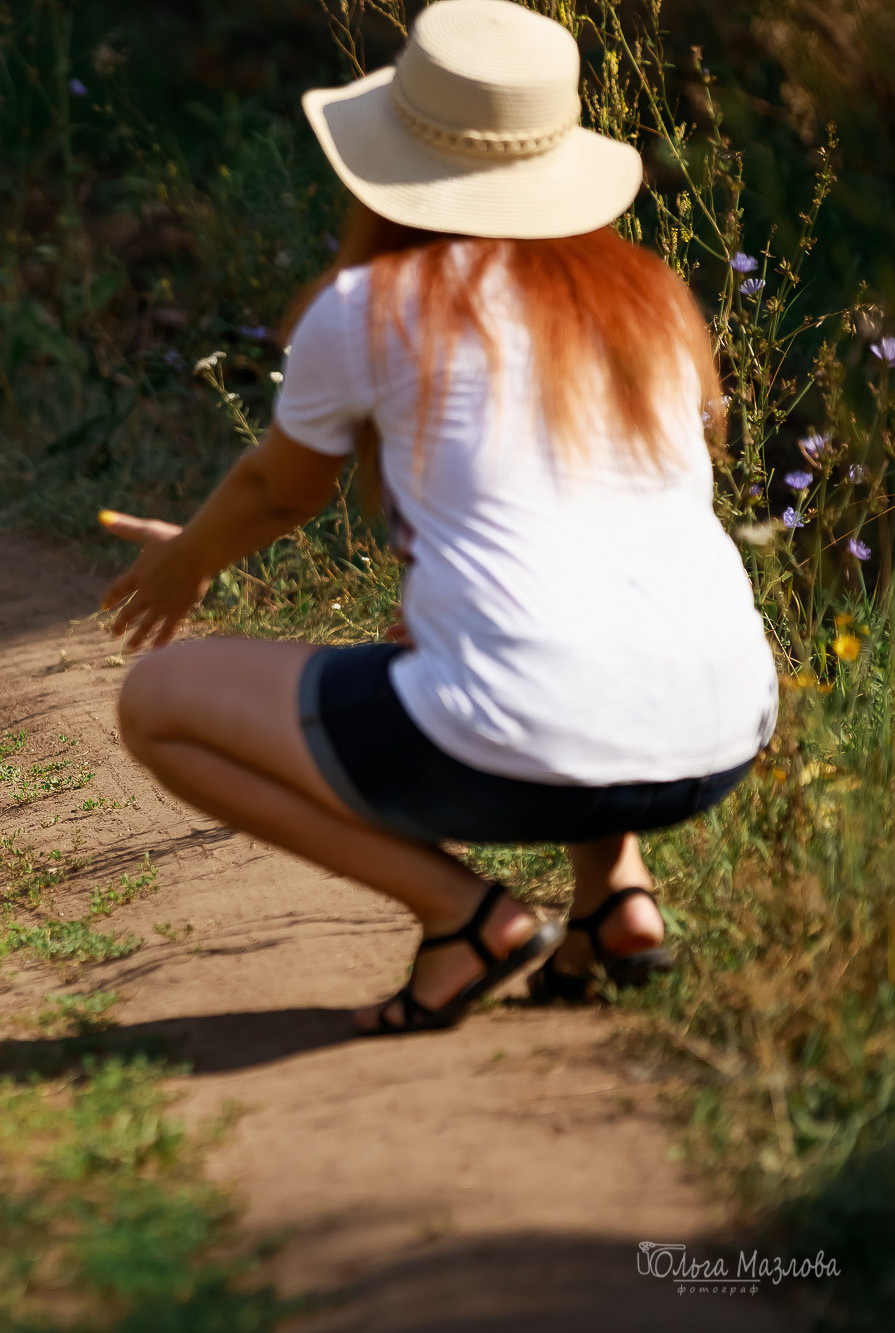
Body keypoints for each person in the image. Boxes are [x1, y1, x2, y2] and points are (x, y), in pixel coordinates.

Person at [98, 0, 776, 1036]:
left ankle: (464, 918)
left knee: (155, 700)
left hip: (525, 739)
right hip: (722, 731)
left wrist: (187, 560)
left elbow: (279, 491)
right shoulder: (648, 294)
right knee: (537, 628)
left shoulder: (372, 304)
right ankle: (613, 901)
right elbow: (656, 498)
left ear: (393, 162)